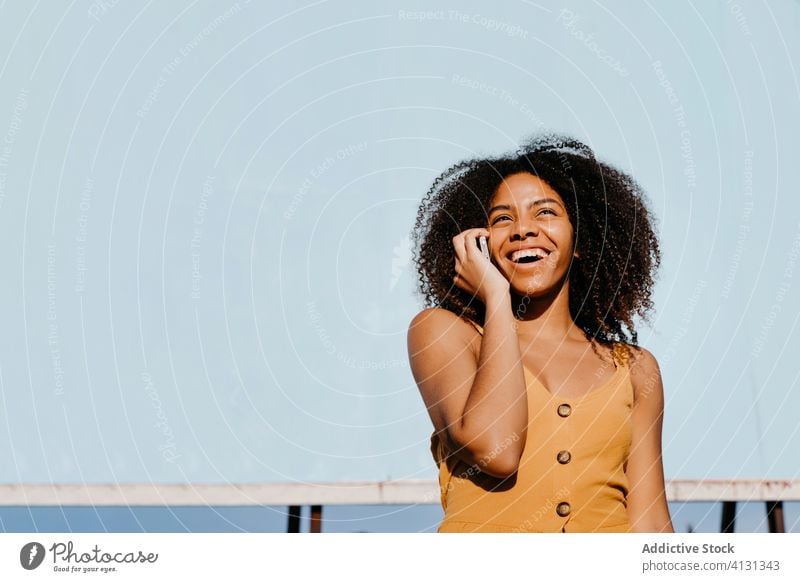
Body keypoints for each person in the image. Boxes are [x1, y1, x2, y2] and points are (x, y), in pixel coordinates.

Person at [407, 134, 674, 533]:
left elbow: (650, 523)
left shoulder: (635, 370)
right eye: (502, 219)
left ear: (581, 241)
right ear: (478, 241)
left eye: (545, 213)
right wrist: (496, 297)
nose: (523, 230)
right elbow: (497, 450)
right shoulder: (443, 332)